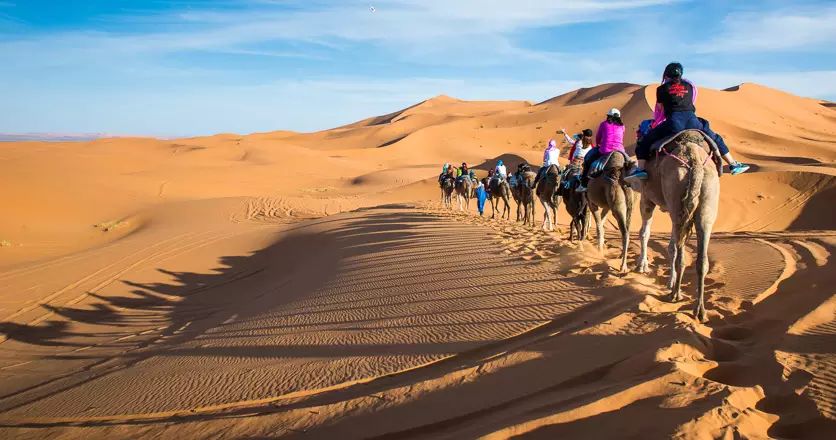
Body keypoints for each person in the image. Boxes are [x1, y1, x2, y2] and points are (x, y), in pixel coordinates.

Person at [628, 62, 749, 181]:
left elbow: (660, 108)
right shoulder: (689, 86)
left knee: (645, 141)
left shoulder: (661, 89)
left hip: (674, 123)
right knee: (716, 138)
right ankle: (733, 164)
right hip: (693, 122)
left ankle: (641, 169)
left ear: (666, 75)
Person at [576, 109, 626, 192]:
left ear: (608, 116)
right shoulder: (622, 126)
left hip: (605, 150)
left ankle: (583, 184)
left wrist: (599, 144)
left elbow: (598, 137)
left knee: (588, 160)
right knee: (628, 162)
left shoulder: (604, 124)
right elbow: (621, 137)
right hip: (620, 150)